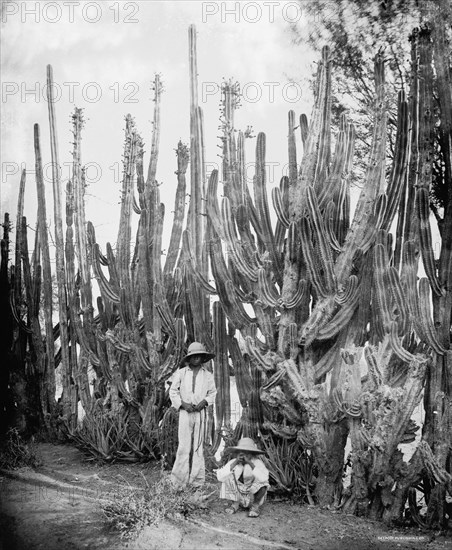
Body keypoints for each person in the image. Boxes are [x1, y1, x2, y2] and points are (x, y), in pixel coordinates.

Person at [169, 342, 217, 488]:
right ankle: (178, 482)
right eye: (193, 356)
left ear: (203, 358)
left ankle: (196, 481)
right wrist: (183, 404)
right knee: (184, 446)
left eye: (199, 356)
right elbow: (173, 391)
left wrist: (205, 401)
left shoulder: (208, 375)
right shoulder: (181, 373)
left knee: (197, 446)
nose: (196, 358)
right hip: (185, 413)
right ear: (189, 358)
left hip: (200, 413)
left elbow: (212, 393)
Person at [216, 437, 270, 517]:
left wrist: (250, 463)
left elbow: (264, 477)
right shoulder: (234, 462)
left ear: (252, 454)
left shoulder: (257, 462)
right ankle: (235, 505)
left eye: (247, 453)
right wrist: (235, 462)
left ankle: (255, 507)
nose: (243, 455)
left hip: (252, 496)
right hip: (238, 496)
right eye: (241, 452)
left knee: (264, 483)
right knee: (227, 476)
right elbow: (220, 477)